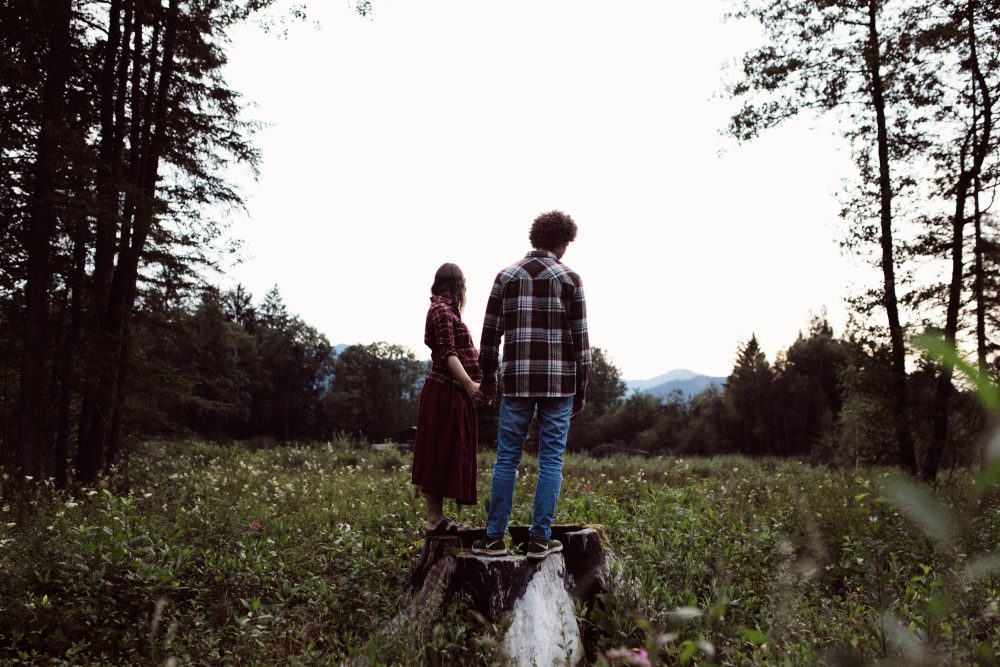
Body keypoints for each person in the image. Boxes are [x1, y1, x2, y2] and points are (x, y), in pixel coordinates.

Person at [472, 211, 591, 559]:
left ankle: (494, 538)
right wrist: (581, 390)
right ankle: (540, 538)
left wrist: (490, 379)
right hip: (559, 383)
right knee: (551, 459)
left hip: (517, 381)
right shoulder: (570, 278)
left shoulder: (506, 276)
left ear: (535, 237)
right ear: (562, 242)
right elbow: (581, 343)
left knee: (507, 458)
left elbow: (489, 335)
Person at [411, 263, 485, 535]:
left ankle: (438, 518)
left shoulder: (446, 311)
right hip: (443, 391)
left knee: (447, 451)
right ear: (457, 285)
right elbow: (447, 353)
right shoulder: (441, 310)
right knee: (439, 452)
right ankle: (434, 519)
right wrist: (469, 385)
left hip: (452, 392)